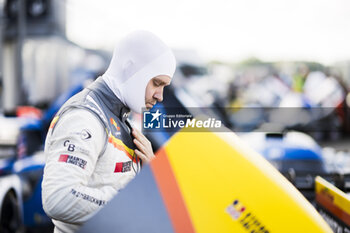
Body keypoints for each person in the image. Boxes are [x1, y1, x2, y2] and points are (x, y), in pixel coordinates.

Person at [41, 30, 176, 233]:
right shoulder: (84, 117)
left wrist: (151, 174)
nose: (160, 96)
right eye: (157, 83)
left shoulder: (120, 114)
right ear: (130, 69)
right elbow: (58, 198)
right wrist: (131, 202)